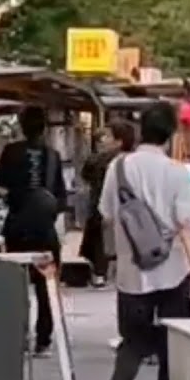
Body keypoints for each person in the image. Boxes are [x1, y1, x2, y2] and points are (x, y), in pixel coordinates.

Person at [98, 102, 190, 380]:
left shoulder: (118, 167)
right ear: (171, 134)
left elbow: (108, 214)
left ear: (142, 129)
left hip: (132, 273)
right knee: (173, 343)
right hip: (171, 270)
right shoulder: (176, 172)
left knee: (133, 339)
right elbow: (186, 226)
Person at [0, 107, 68, 357]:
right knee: (45, 285)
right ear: (45, 128)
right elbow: (61, 199)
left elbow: (2, 190)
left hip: (16, 228)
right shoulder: (54, 156)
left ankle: (19, 336)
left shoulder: (10, 152)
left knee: (16, 285)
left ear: (21, 126)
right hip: (45, 231)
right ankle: (44, 340)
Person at [79, 120, 136, 287]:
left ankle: (100, 273)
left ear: (119, 141)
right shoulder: (134, 160)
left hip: (103, 206)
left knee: (100, 240)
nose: (104, 140)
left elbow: (87, 174)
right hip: (128, 209)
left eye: (108, 137)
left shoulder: (103, 160)